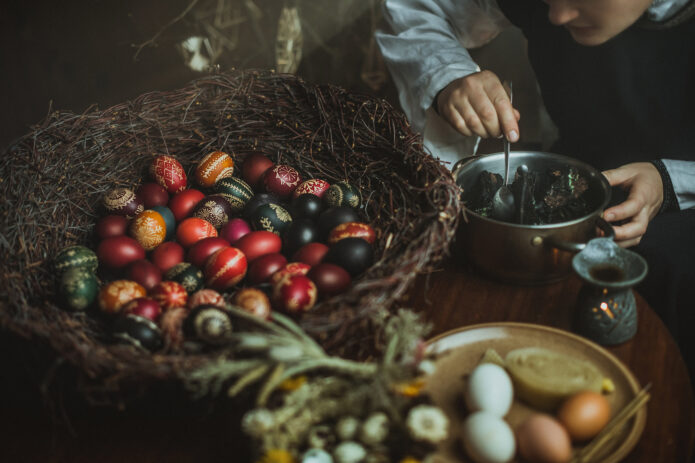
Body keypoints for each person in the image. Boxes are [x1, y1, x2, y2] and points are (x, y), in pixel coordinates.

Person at [376, 0, 695, 384]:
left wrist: (669, 180)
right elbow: (413, 8)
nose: (556, 16)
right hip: (575, 178)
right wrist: (447, 76)